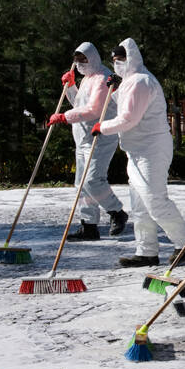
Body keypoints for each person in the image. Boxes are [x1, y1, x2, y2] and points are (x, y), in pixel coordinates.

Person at [93, 39, 185, 268]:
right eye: (115, 61)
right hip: (135, 149)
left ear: (132, 58)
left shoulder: (141, 81)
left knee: (154, 199)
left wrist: (103, 127)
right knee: (139, 204)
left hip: (151, 149)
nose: (118, 65)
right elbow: (126, 105)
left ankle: (184, 242)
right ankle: (146, 250)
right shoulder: (130, 82)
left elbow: (129, 118)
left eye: (122, 60)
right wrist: (115, 90)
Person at [47, 42, 128, 240]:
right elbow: (79, 105)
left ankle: (117, 211)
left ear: (93, 58)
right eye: (77, 60)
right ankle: (89, 225)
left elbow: (94, 110)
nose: (80, 63)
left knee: (92, 180)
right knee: (81, 184)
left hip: (100, 137)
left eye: (84, 59)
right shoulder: (87, 79)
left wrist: (64, 117)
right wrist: (70, 87)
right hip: (81, 138)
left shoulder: (102, 78)